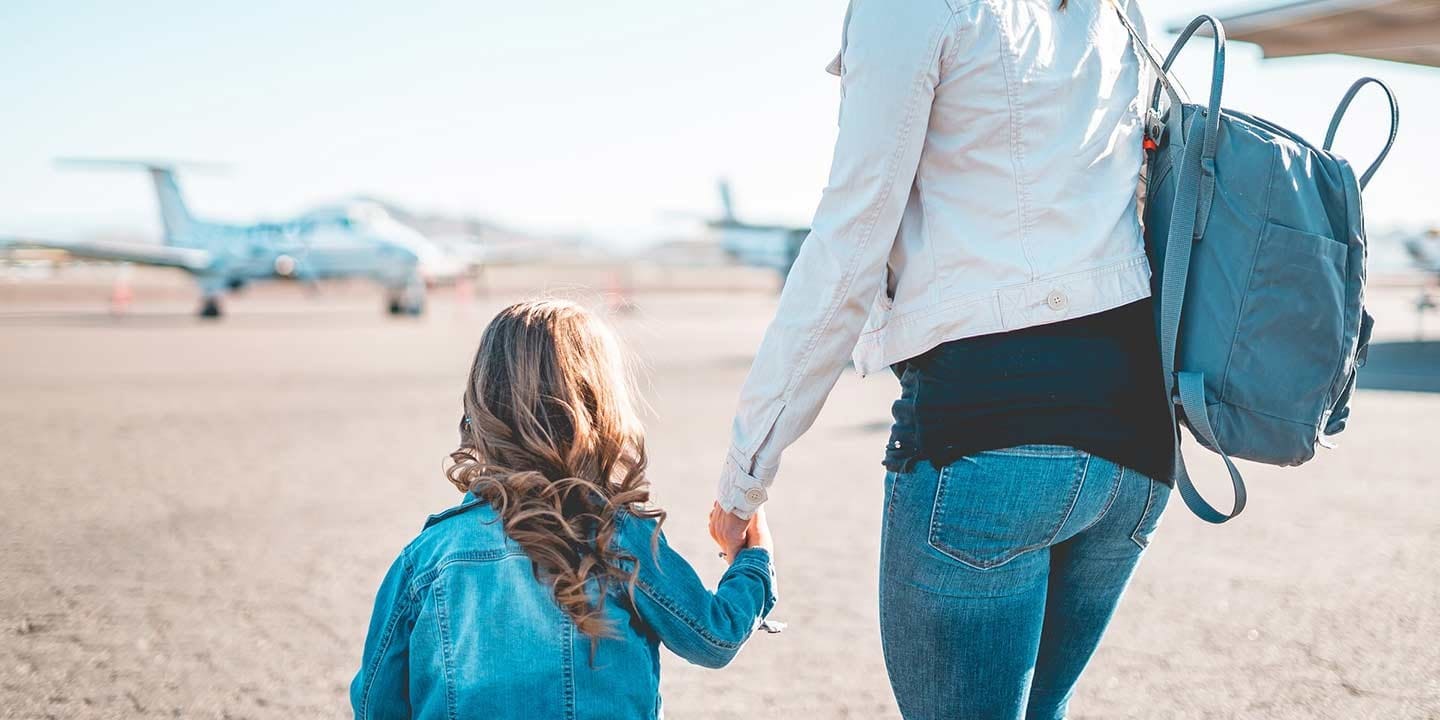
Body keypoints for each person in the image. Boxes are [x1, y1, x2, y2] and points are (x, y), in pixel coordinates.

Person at [708, 0, 1173, 717]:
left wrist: (745, 479)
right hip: (1137, 448)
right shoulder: (1116, 7)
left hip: (991, 441)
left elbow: (847, 247)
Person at [353, 300, 777, 720]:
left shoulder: (428, 557)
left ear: (482, 403)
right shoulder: (617, 538)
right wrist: (752, 560)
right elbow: (713, 636)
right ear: (598, 409)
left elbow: (375, 703)